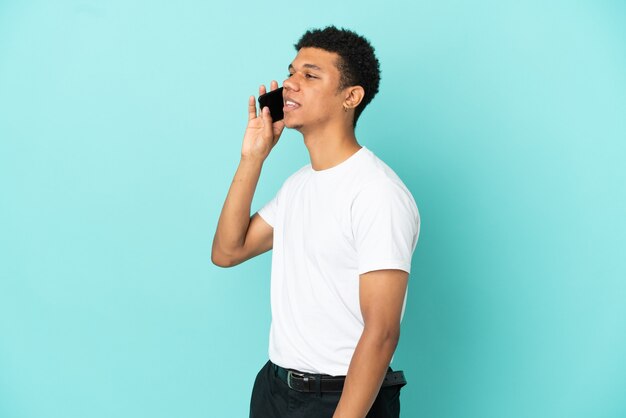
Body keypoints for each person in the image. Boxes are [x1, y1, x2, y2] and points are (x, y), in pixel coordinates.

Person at [212, 26, 420, 418]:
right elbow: (227, 251)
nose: (290, 84)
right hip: (275, 389)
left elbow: (382, 333)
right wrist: (252, 158)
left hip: (341, 399)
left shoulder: (377, 193)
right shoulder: (298, 187)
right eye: (291, 72)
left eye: (309, 75)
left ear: (351, 97)